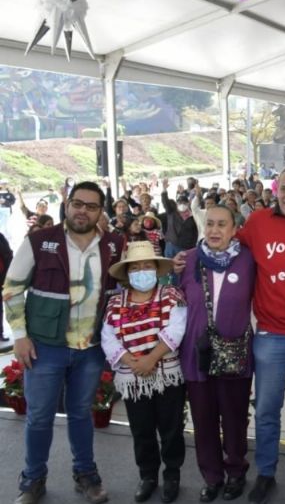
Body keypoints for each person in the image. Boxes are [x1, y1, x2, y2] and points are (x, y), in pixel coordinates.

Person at [172, 166, 285, 502]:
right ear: (276, 191)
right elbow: (219, 246)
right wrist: (184, 258)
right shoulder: (258, 224)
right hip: (271, 335)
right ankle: (265, 472)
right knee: (266, 409)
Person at [5, 181, 124, 504]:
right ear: (67, 205)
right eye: (77, 203)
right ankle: (32, 479)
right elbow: (12, 289)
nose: (82, 210)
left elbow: (124, 290)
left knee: (82, 413)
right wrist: (20, 337)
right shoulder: (39, 241)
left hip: (90, 350)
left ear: (102, 211)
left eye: (91, 206)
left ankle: (85, 473)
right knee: (40, 416)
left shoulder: (114, 244)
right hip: (45, 348)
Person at [177, 205, 256, 502]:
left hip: (235, 354)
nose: (214, 230)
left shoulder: (248, 260)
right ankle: (212, 476)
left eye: (222, 224)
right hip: (196, 355)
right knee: (203, 420)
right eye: (209, 223)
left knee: (235, 419)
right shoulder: (187, 260)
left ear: (234, 229)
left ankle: (236, 472)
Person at [100, 241, 187, 503]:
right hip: (133, 377)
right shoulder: (116, 302)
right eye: (135, 267)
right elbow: (108, 337)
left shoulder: (172, 295)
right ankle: (147, 476)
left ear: (157, 269)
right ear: (127, 273)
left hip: (166, 375)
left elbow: (177, 328)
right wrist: (132, 361)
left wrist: (150, 359)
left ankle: (172, 475)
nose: (141, 271)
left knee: (171, 428)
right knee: (141, 429)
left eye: (146, 266)